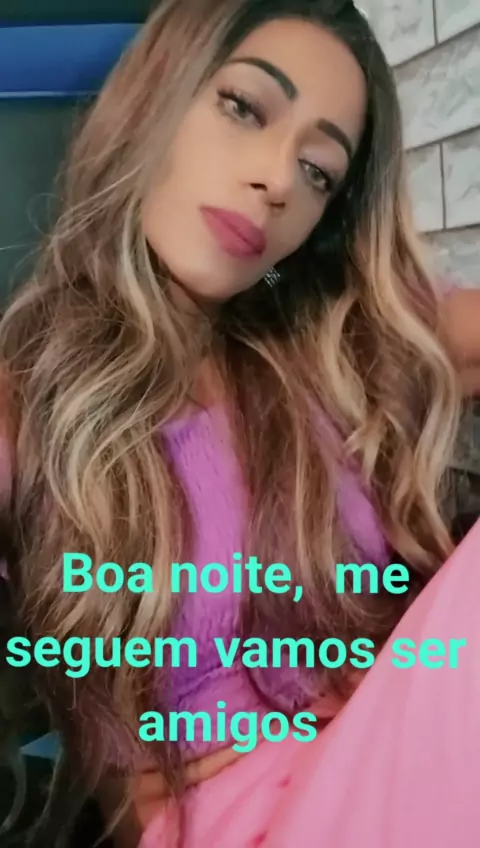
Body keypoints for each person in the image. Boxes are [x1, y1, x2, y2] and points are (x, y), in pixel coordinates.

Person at [0, 1, 479, 846]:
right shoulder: (25, 398)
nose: (278, 179)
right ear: (158, 96)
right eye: (244, 107)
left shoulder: (337, 353)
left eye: (319, 170)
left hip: (399, 768)